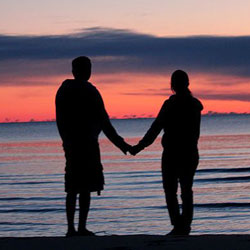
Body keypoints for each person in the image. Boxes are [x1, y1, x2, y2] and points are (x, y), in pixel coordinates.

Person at [56, 56, 131, 237]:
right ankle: (79, 228)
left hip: (72, 144)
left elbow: (61, 121)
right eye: (87, 68)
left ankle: (72, 228)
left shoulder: (63, 90)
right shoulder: (89, 91)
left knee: (74, 187)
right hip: (86, 144)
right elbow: (104, 122)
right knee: (83, 188)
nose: (89, 71)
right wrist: (122, 145)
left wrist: (66, 140)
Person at [129, 70, 203, 235]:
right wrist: (139, 147)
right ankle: (184, 226)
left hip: (173, 153)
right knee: (185, 189)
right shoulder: (194, 105)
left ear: (172, 86)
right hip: (190, 152)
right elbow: (157, 129)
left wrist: (138, 147)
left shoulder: (171, 105)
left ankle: (179, 225)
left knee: (172, 190)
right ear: (187, 84)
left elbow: (155, 128)